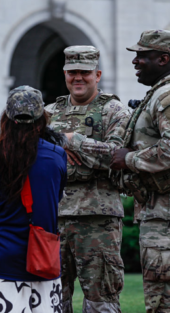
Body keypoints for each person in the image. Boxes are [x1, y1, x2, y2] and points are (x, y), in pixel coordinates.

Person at [111, 29, 170, 313]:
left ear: (164, 58)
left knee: (165, 303)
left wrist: (128, 159)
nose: (135, 61)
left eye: (142, 56)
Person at [44, 46, 131, 313]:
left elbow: (116, 158)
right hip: (52, 219)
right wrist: (82, 152)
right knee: (52, 299)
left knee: (101, 300)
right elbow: (32, 160)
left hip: (98, 219)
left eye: (85, 72)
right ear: (65, 74)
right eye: (72, 72)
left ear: (98, 74)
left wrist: (73, 142)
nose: (78, 78)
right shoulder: (47, 114)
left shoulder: (115, 112)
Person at [0, 86, 67, 313]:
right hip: (43, 257)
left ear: (8, 118)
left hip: (0, 256)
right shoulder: (58, 155)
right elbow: (55, 198)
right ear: (42, 118)